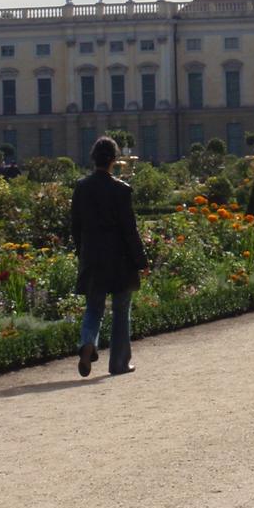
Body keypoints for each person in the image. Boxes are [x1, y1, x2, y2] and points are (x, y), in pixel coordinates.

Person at [71, 135, 148, 377]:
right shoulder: (121, 190)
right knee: (121, 310)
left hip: (93, 257)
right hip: (119, 260)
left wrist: (81, 252)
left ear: (93, 158)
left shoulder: (81, 188)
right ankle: (119, 363)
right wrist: (141, 260)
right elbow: (129, 230)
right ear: (114, 160)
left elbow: (75, 226)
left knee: (93, 308)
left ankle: (87, 343)